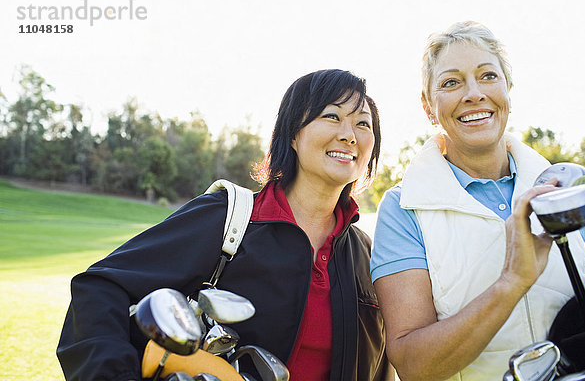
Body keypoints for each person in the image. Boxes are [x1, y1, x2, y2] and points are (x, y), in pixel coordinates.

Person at [57, 69, 394, 381]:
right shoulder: (227, 218)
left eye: (363, 124)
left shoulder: (370, 254)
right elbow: (99, 290)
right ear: (293, 135)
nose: (349, 135)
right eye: (332, 116)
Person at [371, 21, 585, 381]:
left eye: (488, 76)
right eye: (451, 82)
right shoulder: (403, 209)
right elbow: (414, 365)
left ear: (508, 88)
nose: (474, 94)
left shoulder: (562, 192)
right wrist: (511, 282)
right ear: (428, 105)